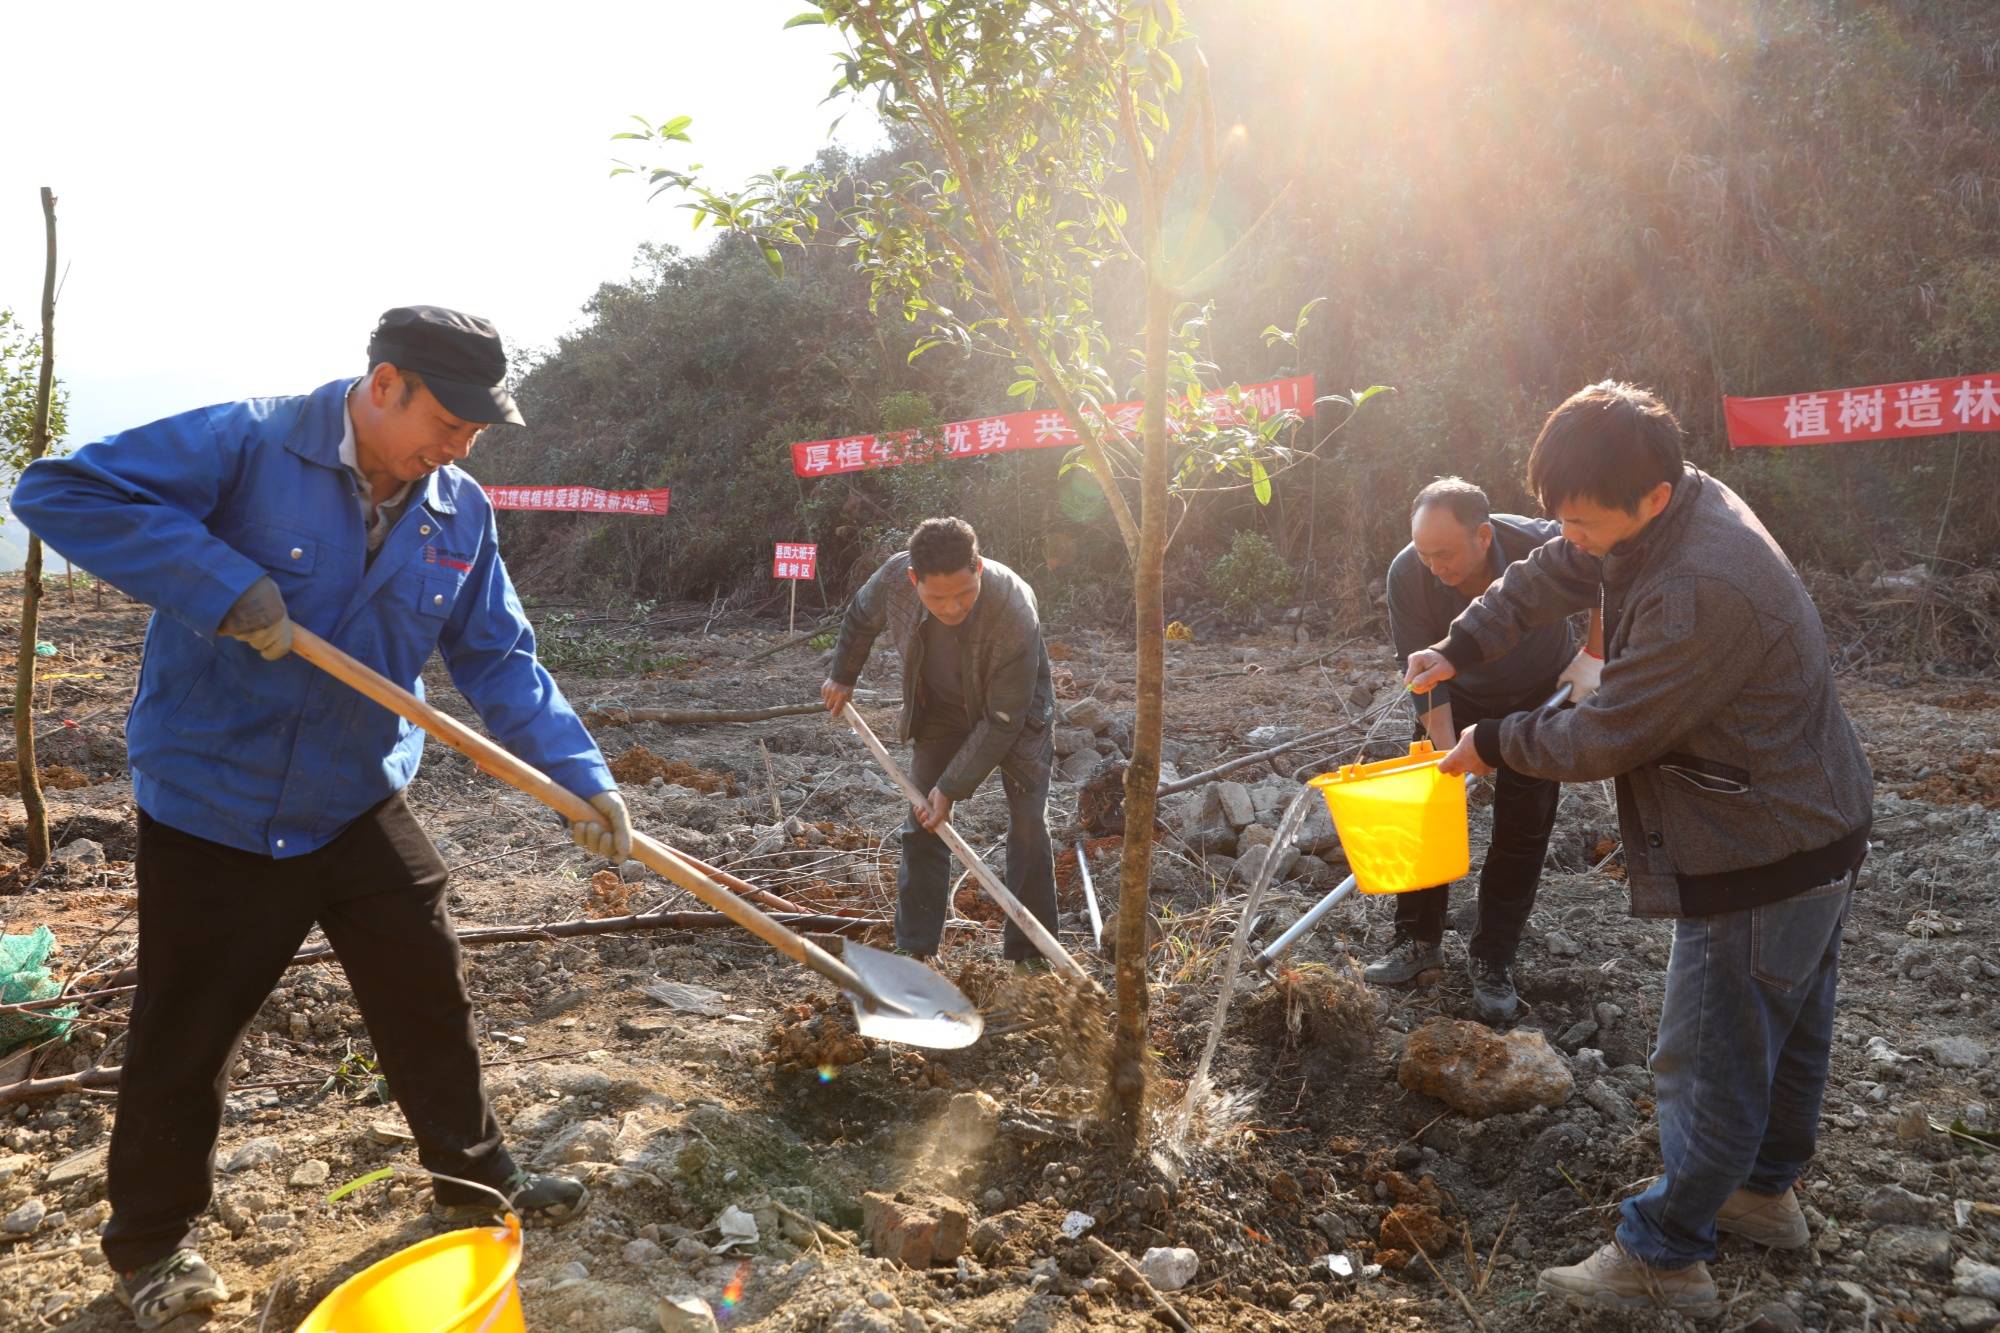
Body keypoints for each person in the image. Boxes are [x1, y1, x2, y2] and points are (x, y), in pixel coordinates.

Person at [11, 305, 635, 1331]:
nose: (459, 445)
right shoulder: (251, 443)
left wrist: (580, 775)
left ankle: (474, 1183)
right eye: (448, 419)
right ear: (384, 383)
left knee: (424, 984)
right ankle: (152, 1250)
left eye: (477, 431)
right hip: (215, 797)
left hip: (353, 794)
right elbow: (57, 489)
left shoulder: (456, 511)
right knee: (187, 1032)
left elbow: (499, 659)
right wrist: (224, 585)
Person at [1405, 381, 1873, 1311]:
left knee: (1705, 1051)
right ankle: (1763, 1192)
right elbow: (1553, 571)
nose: (1568, 535)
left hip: (1757, 838)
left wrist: (1493, 743)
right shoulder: (1658, 506)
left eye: (1582, 519)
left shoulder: (1702, 583)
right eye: (1559, 516)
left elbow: (1611, 731)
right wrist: (1463, 642)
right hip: (1810, 820)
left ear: (1649, 498)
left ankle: (1665, 1253)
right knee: (1781, 1023)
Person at [1372, 477, 1603, 1023]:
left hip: (1539, 699)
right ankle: (1416, 941)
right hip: (1454, 697)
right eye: (1425, 553)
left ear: (1482, 535)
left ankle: (1493, 957)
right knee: (1428, 810)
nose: (1434, 566)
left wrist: (1594, 653)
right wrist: (1449, 760)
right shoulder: (1409, 573)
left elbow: (1610, 576)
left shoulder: (1540, 544)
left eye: (1444, 554)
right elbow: (1425, 680)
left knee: (1522, 828)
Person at [820, 517, 1057, 965]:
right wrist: (842, 675)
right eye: (937, 597)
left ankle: (1030, 955)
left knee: (1028, 825)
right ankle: (915, 947)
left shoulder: (1013, 609)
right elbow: (859, 616)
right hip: (940, 711)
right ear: (914, 580)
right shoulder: (894, 578)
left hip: (1018, 714)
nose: (952, 608)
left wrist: (950, 788)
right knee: (923, 822)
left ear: (980, 569)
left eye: (964, 594)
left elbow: (1003, 719)